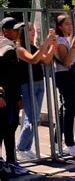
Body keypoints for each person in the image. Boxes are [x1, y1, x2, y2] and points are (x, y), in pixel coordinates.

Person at [16, 24, 56, 160]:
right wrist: (46, 43)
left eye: (33, 30)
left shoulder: (33, 47)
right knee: (32, 118)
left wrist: (52, 45)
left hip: (39, 82)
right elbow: (33, 59)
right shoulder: (19, 48)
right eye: (29, 30)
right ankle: (21, 147)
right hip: (28, 84)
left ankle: (26, 147)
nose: (33, 33)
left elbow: (46, 60)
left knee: (35, 117)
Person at [0, 17, 28, 175]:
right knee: (7, 129)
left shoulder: (10, 47)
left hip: (10, 96)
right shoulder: (6, 49)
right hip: (5, 98)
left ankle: (10, 162)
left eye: (18, 29)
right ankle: (9, 163)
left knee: (9, 129)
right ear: (5, 30)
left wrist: (17, 97)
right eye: (14, 29)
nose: (18, 32)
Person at [54, 14, 75, 157]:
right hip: (63, 75)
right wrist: (73, 47)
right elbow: (66, 62)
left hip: (67, 75)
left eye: (70, 24)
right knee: (70, 108)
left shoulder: (64, 39)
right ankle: (69, 143)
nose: (70, 26)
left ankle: (57, 139)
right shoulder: (60, 41)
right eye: (66, 24)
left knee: (65, 107)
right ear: (59, 27)